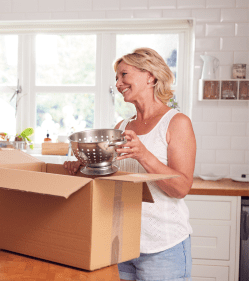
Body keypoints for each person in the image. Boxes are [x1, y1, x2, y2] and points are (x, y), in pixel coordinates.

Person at [64, 47, 196, 281]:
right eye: (116, 77)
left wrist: (143, 155)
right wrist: (82, 169)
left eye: (124, 75)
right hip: (122, 243)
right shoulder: (121, 127)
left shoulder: (176, 122)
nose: (118, 83)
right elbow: (110, 181)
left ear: (150, 76)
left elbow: (181, 188)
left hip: (163, 248)